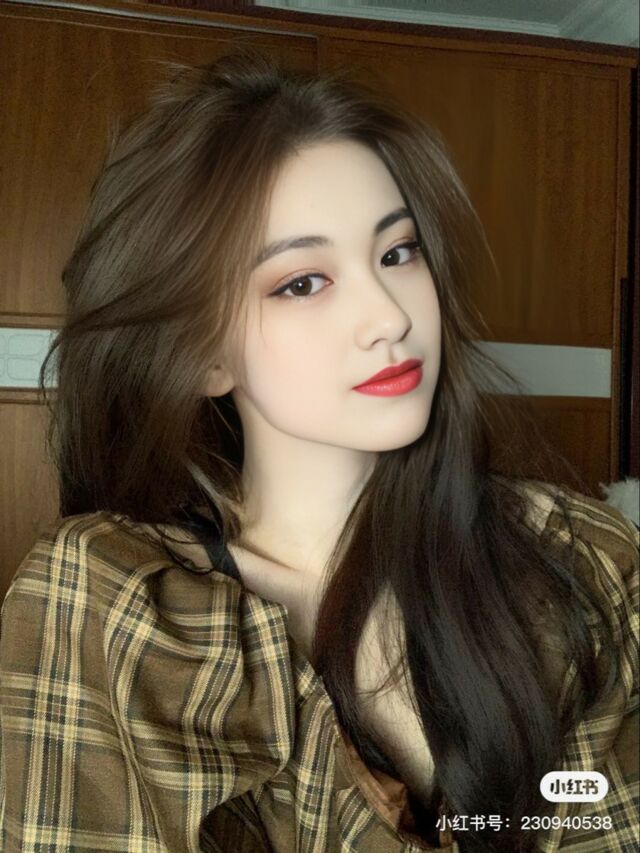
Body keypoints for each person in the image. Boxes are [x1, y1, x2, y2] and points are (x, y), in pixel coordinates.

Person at [0, 51, 637, 853]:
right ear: (203, 353)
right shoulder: (109, 603)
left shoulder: (582, 558)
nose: (389, 316)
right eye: (302, 282)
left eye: (398, 253)